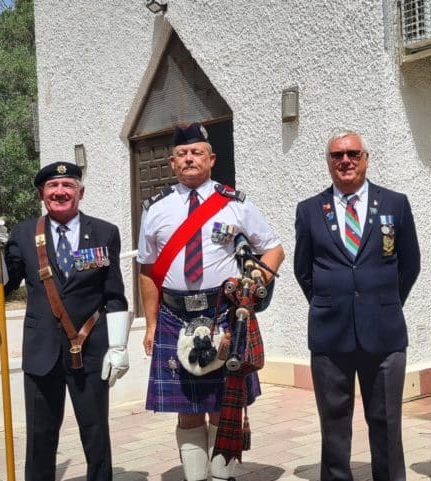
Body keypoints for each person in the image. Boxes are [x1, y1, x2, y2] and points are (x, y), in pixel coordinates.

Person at [137, 123, 284, 481]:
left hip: (223, 314)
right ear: (172, 162)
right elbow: (147, 269)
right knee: (186, 410)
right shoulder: (156, 208)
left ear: (211, 159)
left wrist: (255, 283)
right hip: (174, 315)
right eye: (182, 154)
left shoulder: (234, 204)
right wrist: (152, 324)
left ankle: (223, 477)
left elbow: (274, 249)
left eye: (197, 152)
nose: (189, 158)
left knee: (223, 405)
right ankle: (195, 477)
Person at [293, 130, 421, 481]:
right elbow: (303, 270)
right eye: (337, 155)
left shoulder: (395, 204)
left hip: (384, 332)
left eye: (352, 153)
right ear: (328, 162)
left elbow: (409, 264)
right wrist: (333, 304)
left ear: (365, 158)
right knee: (333, 423)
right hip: (329, 334)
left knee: (386, 421)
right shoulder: (309, 210)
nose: (345, 161)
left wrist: (384, 304)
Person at [0, 161, 130, 481]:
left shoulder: (104, 232)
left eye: (68, 185)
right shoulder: (25, 233)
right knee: (40, 435)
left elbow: (114, 294)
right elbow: (4, 285)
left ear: (81, 192)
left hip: (90, 350)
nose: (60, 192)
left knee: (96, 430)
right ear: (42, 194)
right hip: (42, 350)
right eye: (53, 187)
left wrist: (119, 345)